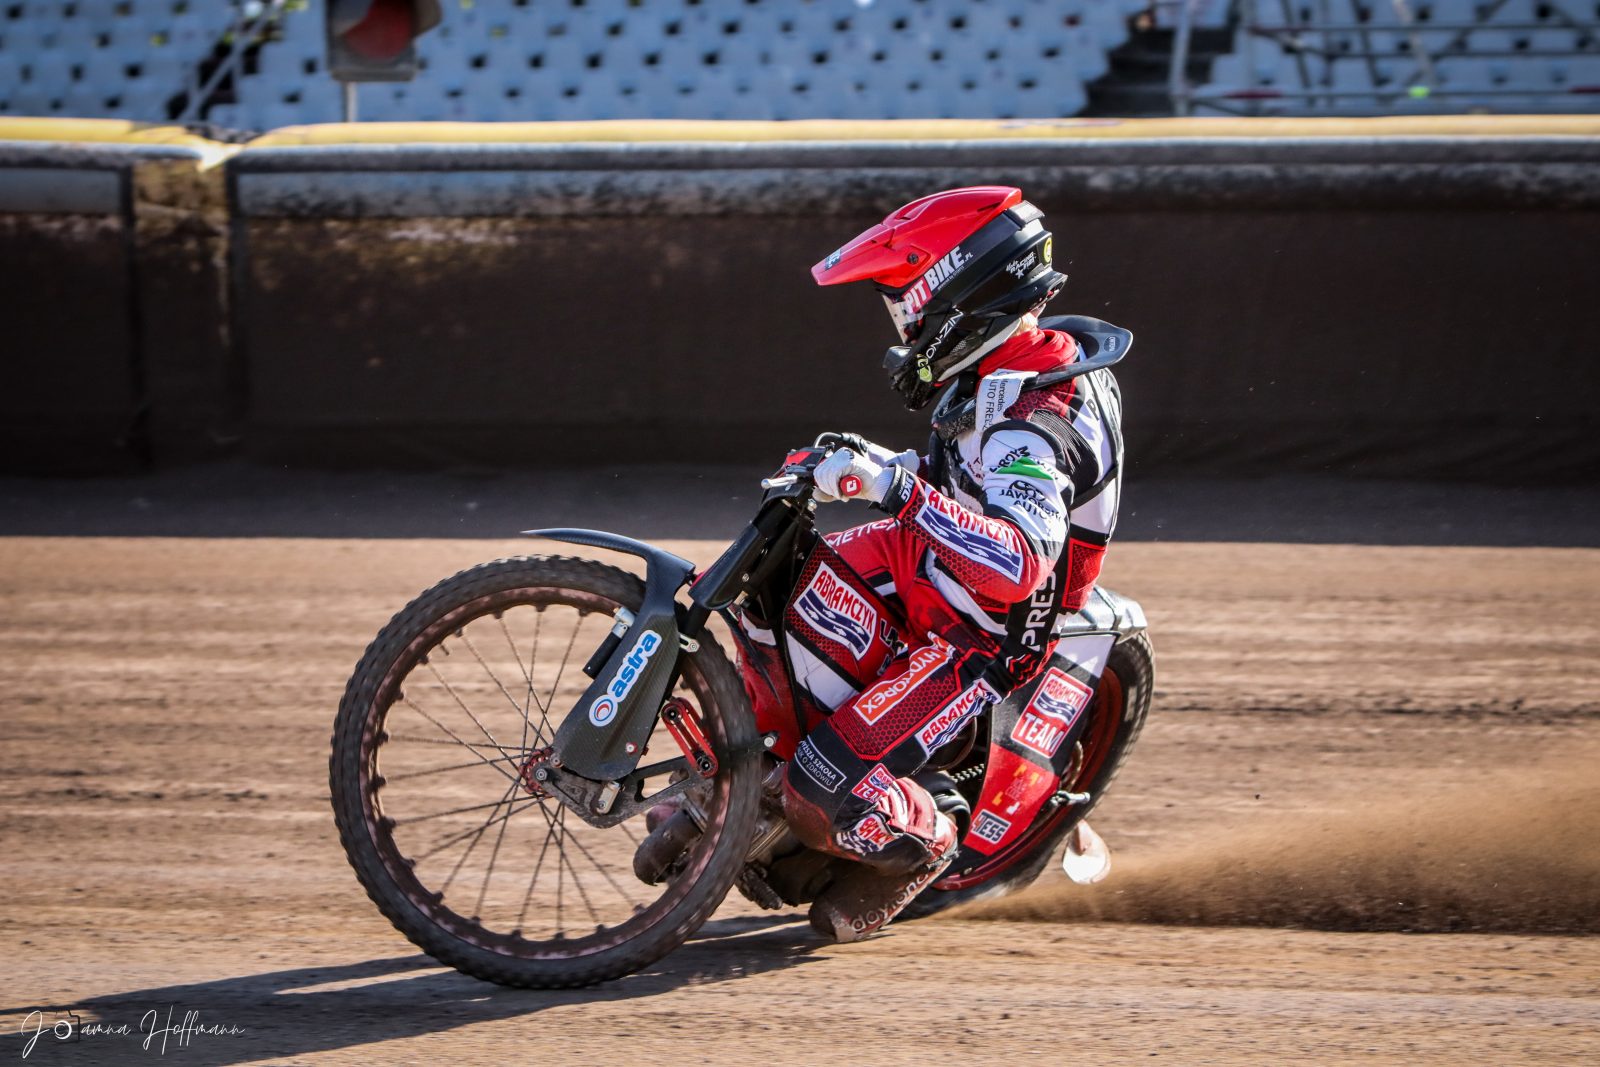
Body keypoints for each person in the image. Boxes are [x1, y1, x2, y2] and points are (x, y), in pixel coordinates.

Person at [740, 185, 1127, 942]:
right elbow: (969, 473)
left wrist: (889, 483)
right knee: (768, 590)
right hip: (929, 559)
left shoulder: (1033, 429)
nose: (903, 330)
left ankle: (925, 845)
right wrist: (881, 467)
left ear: (962, 299)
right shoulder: (1018, 359)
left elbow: (1016, 565)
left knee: (818, 786)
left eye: (906, 309)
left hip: (984, 629)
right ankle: (738, 770)